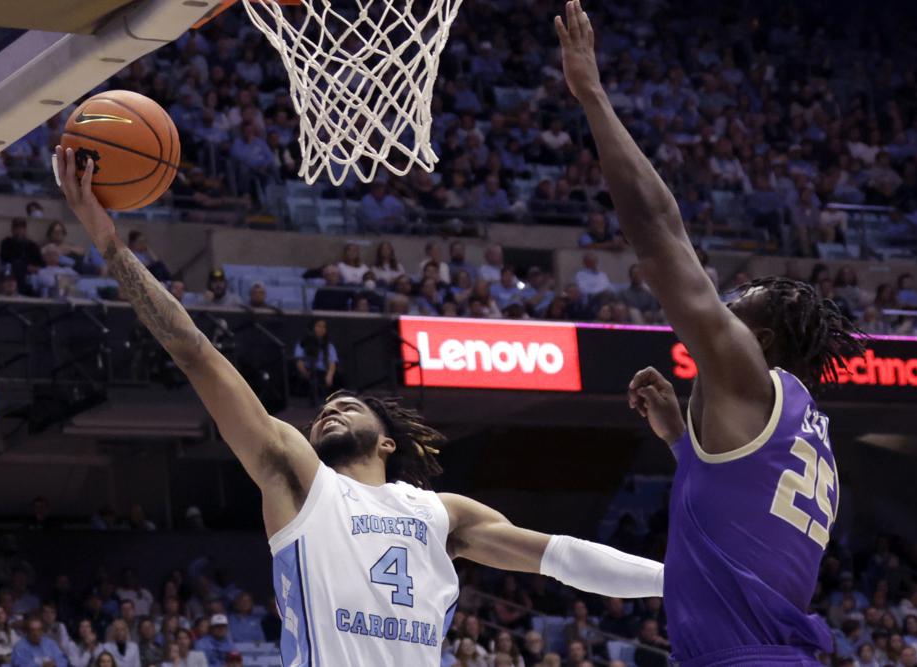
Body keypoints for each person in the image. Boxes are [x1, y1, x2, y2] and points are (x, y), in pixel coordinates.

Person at [55, 145, 665, 667]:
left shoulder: (442, 514)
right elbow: (195, 352)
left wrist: (671, 580)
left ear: (389, 440)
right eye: (325, 406)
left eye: (348, 404)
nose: (330, 409)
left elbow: (561, 557)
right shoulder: (296, 473)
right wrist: (108, 243)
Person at [555, 4, 863, 666]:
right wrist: (680, 441)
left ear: (766, 339)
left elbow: (659, 230)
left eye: (736, 304)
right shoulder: (807, 431)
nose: (720, 307)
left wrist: (594, 96)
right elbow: (739, 526)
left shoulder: (753, 374)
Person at [293, 319, 341, 404]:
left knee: (339, 379)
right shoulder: (302, 343)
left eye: (324, 327)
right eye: (319, 326)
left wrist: (329, 375)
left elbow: (332, 362)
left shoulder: (329, 346)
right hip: (308, 371)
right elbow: (299, 362)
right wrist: (305, 374)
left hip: (324, 372)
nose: (321, 329)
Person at [0, 219, 42, 294]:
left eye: (21, 228)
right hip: (12, 269)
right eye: (16, 228)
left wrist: (33, 268)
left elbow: (39, 262)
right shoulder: (7, 242)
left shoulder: (32, 245)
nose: (19, 230)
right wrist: (24, 266)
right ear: (12, 230)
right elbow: (4, 258)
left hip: (31, 272)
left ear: (25, 230)